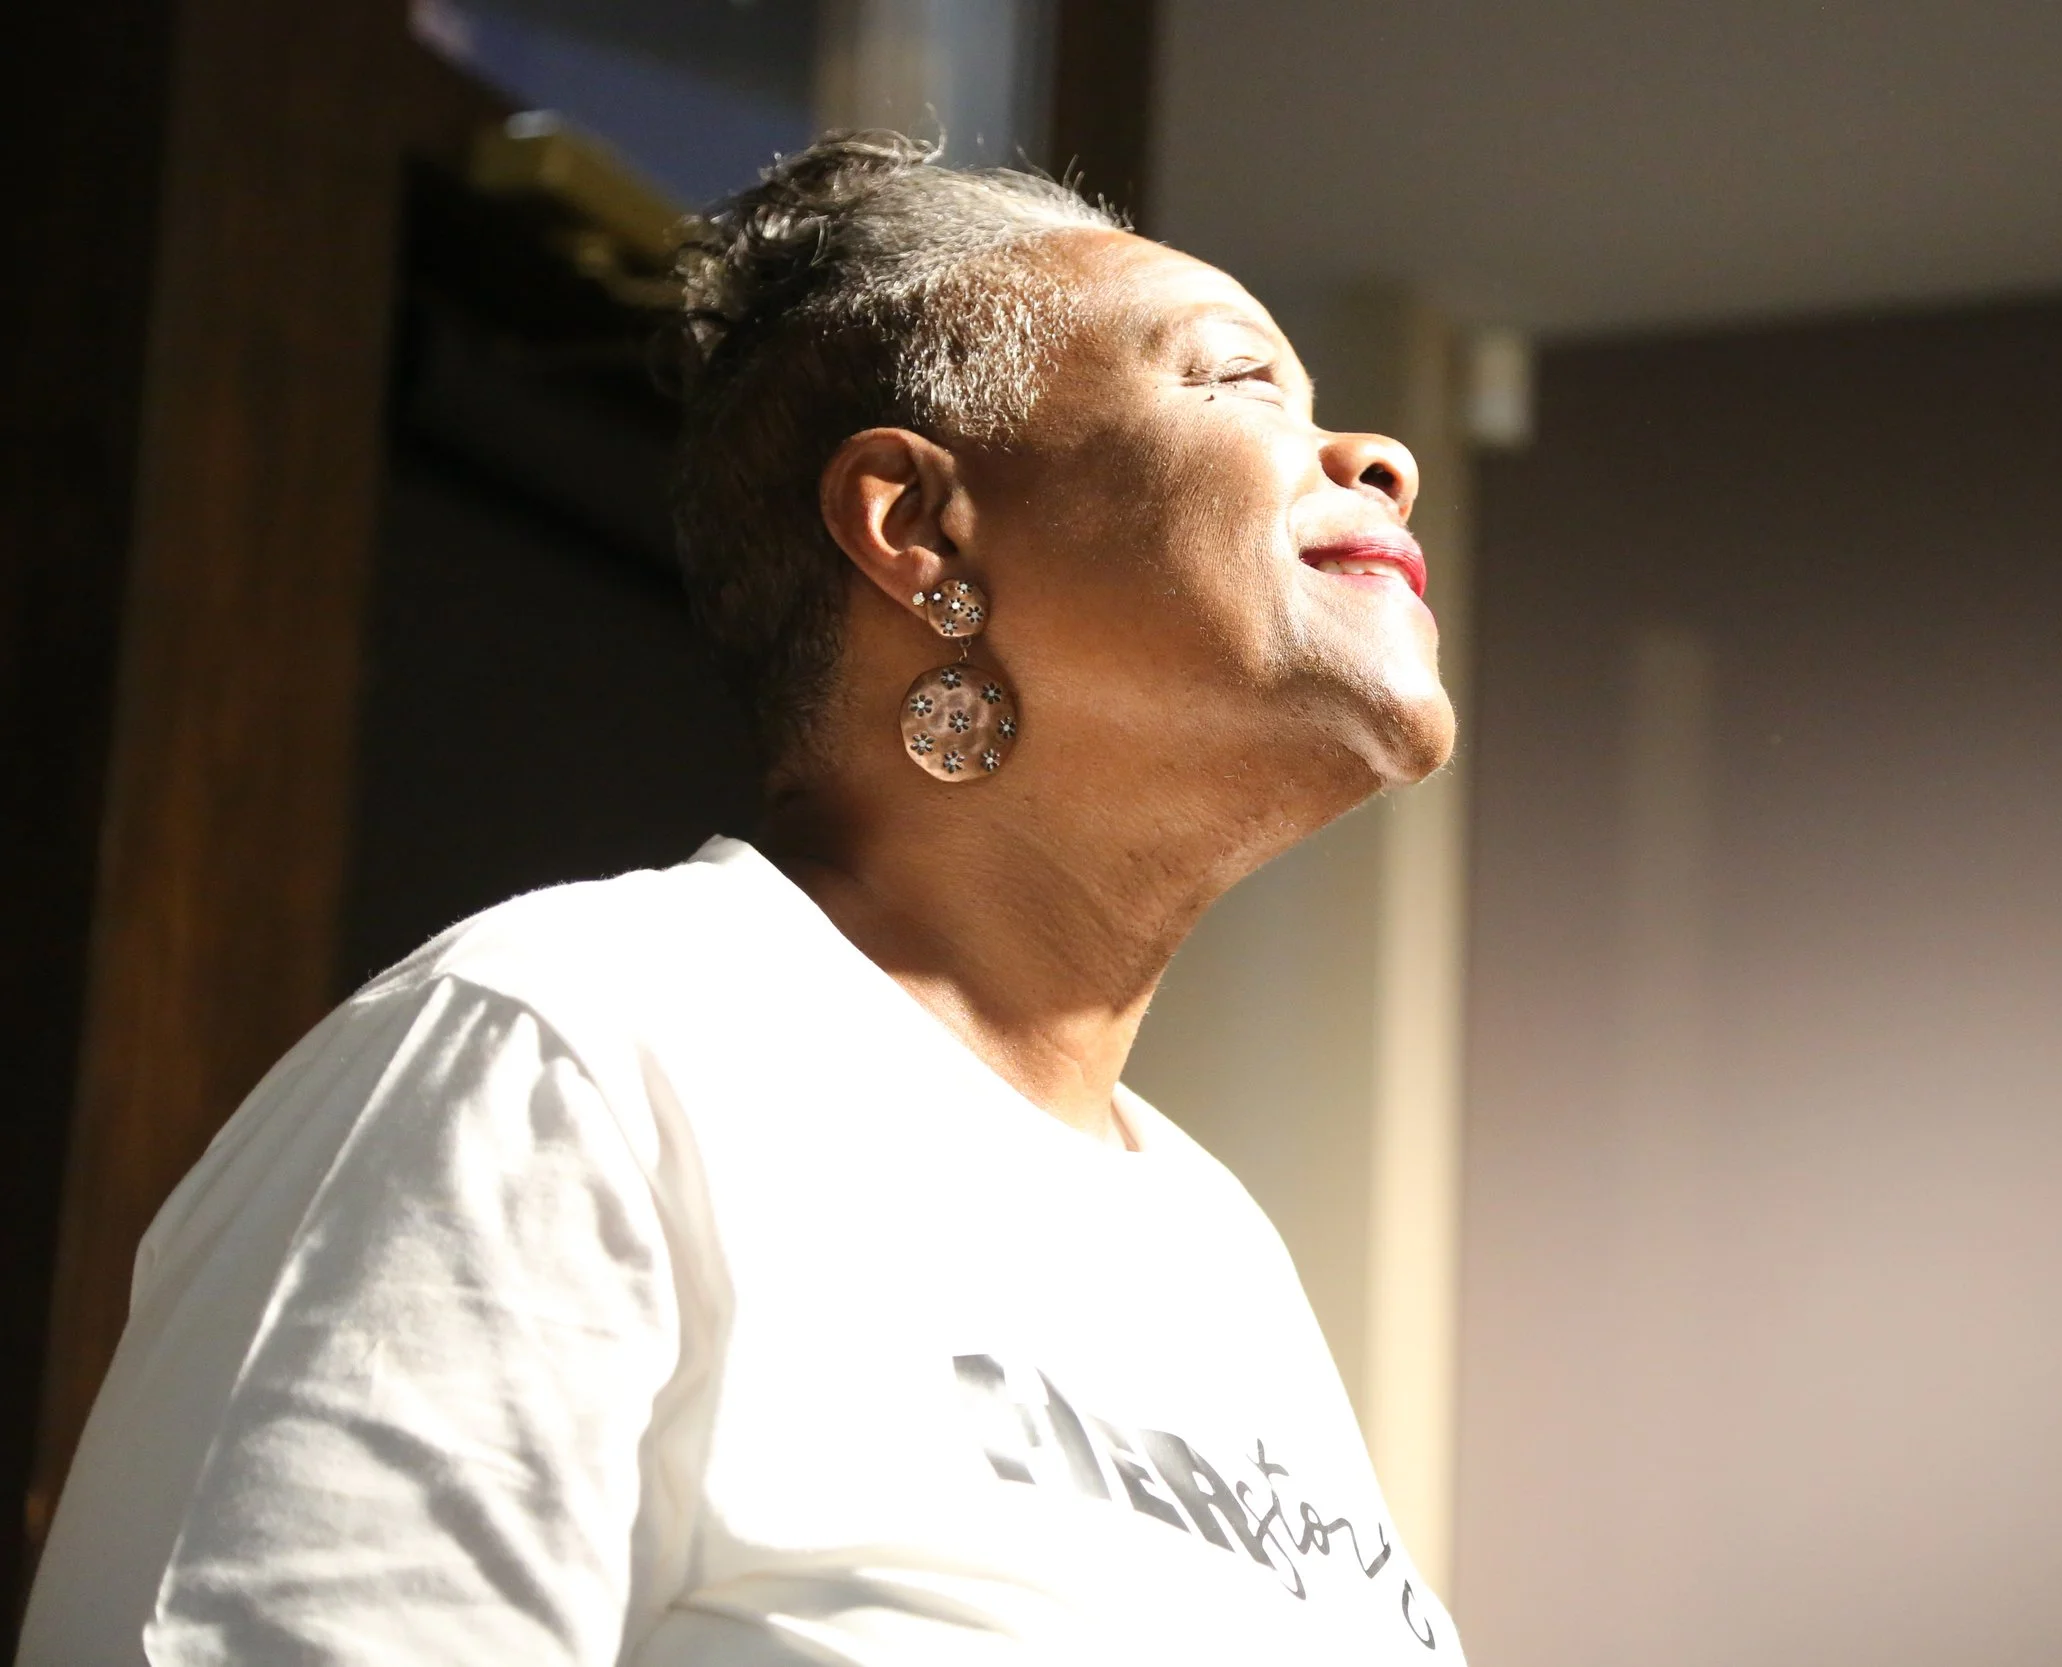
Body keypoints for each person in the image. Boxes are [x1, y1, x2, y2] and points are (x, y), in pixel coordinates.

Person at [18, 132, 1461, 1665]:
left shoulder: (1219, 1255)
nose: (1382, 458)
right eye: (1240, 383)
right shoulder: (570, 1048)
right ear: (915, 527)